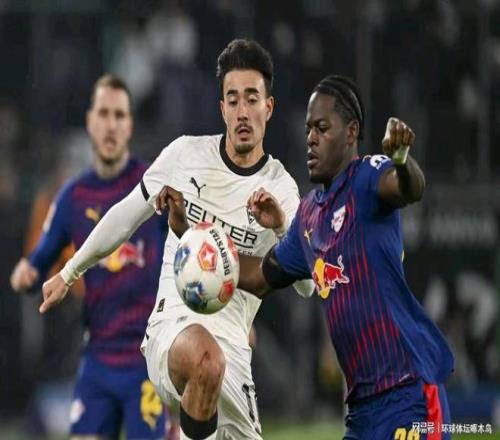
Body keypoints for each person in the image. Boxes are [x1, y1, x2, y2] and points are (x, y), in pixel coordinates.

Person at [39, 39, 313, 440]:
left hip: (234, 349)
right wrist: (70, 272)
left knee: (216, 367)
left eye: (251, 99)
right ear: (221, 108)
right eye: (232, 100)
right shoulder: (185, 156)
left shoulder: (282, 190)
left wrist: (282, 227)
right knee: (206, 362)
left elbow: (307, 287)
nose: (242, 111)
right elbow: (123, 216)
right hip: (173, 330)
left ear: (268, 108)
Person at [204, 75, 454, 439]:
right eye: (309, 129)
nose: (311, 138)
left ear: (351, 133)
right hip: (361, 410)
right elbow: (260, 277)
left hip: (408, 390)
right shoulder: (309, 216)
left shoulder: (368, 177)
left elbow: (409, 187)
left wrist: (401, 160)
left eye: (322, 128)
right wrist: (206, 251)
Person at [10, 74, 171, 440]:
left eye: (119, 115)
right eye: (103, 114)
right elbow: (39, 260)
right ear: (89, 122)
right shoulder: (72, 197)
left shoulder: (154, 186)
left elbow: (190, 251)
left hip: (147, 358)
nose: (111, 124)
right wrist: (26, 273)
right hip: (97, 359)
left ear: (130, 125)